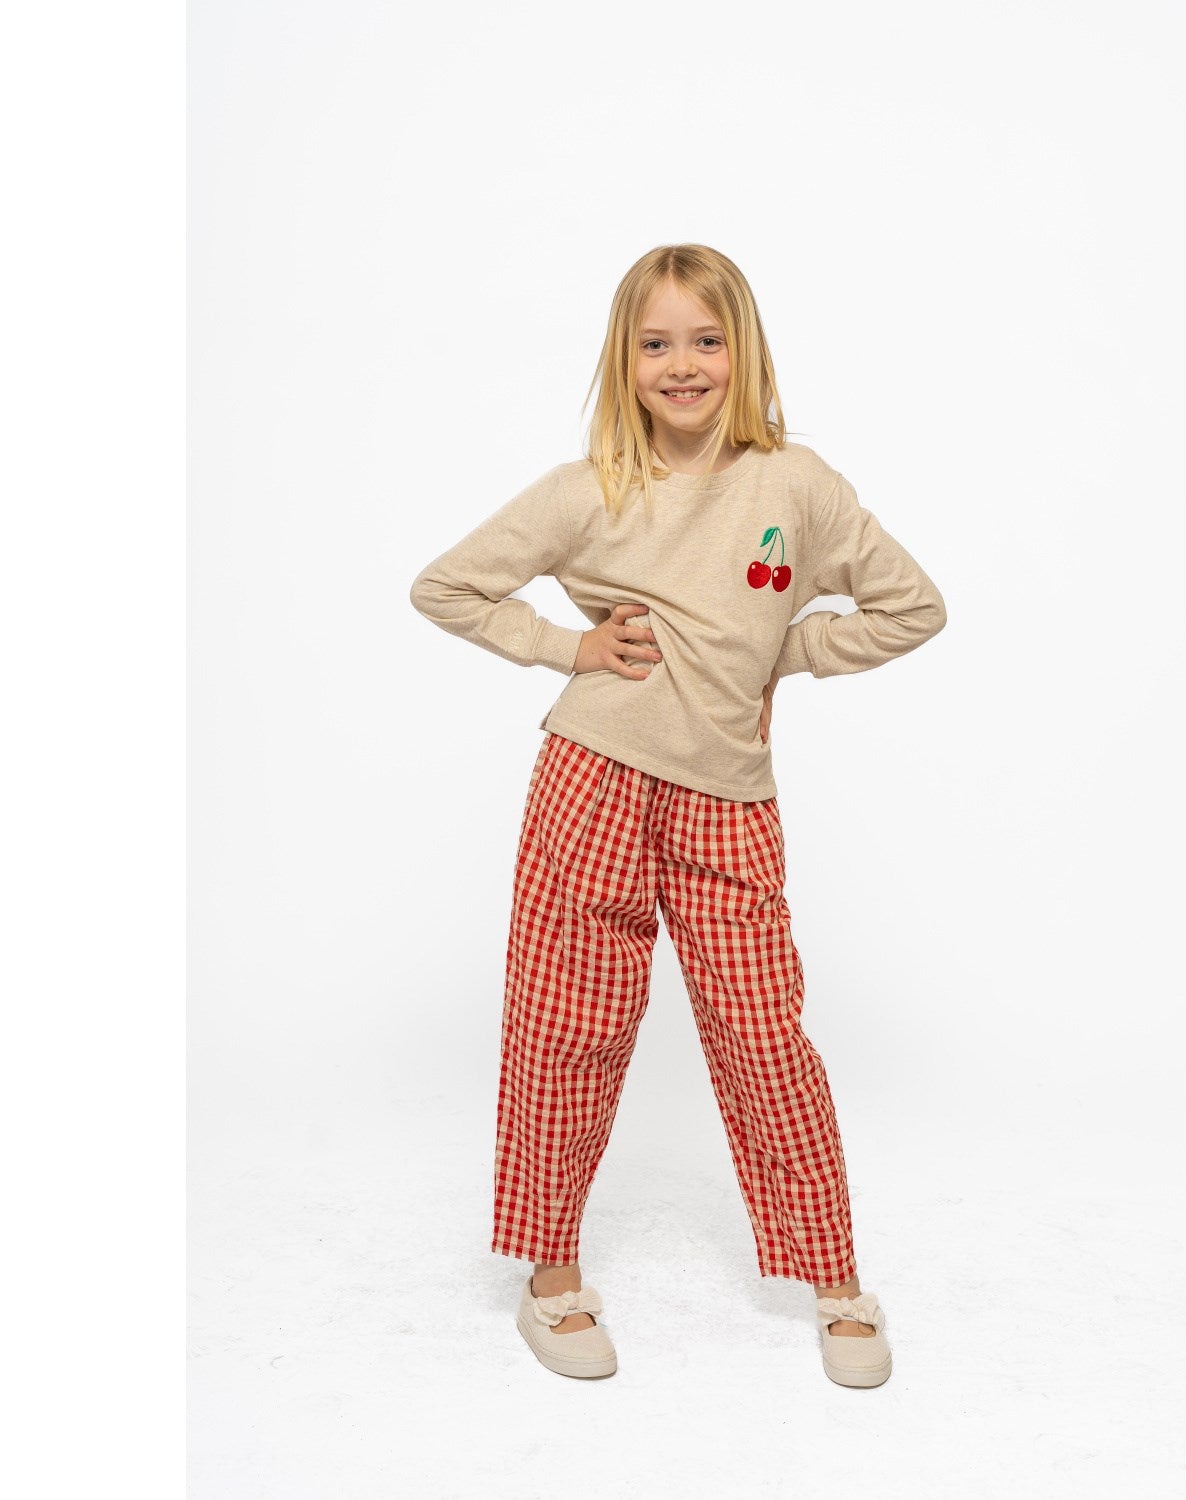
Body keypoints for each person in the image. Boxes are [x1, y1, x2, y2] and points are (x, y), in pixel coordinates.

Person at [408, 243, 947, 1387]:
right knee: (569, 1026)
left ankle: (834, 1277)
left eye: (706, 340)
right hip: (594, 778)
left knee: (764, 1038)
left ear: (743, 349)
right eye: (656, 343)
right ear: (626, 358)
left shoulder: (796, 486)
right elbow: (444, 586)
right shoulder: (590, 488)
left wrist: (787, 652)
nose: (683, 364)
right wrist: (567, 647)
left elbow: (912, 606)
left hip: (729, 801)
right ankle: (551, 1275)